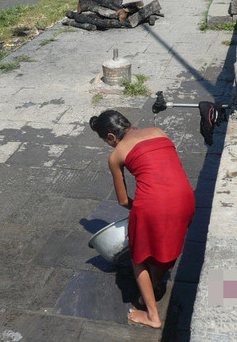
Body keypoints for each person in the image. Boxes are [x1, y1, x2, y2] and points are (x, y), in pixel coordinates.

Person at [90, 109, 195, 329]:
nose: (110, 146)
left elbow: (123, 201)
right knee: (167, 248)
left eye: (107, 142)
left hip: (152, 204)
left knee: (139, 256)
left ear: (111, 137)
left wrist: (142, 212)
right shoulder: (158, 131)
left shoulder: (116, 154)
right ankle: (152, 286)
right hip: (185, 197)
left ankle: (152, 316)